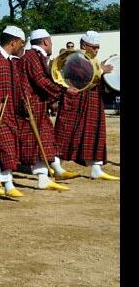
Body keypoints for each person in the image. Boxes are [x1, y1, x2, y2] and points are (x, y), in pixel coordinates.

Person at [54, 31, 119, 180]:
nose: (96, 50)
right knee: (66, 133)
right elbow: (84, 75)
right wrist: (102, 70)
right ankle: (56, 166)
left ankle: (96, 168)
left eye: (98, 47)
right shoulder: (75, 58)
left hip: (93, 101)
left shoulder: (93, 60)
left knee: (94, 133)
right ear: (84, 45)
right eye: (93, 47)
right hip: (75, 101)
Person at [19, 29, 81, 182]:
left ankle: (56, 169)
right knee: (36, 141)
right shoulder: (32, 57)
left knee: (46, 137)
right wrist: (64, 90)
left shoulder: (36, 56)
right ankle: (42, 178)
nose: (51, 44)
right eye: (51, 41)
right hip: (32, 105)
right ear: (45, 42)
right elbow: (40, 80)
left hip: (38, 104)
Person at [0, 26, 29, 198]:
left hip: (10, 112)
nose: (23, 47)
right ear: (13, 42)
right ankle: (8, 184)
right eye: (21, 44)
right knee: (4, 146)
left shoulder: (11, 60)